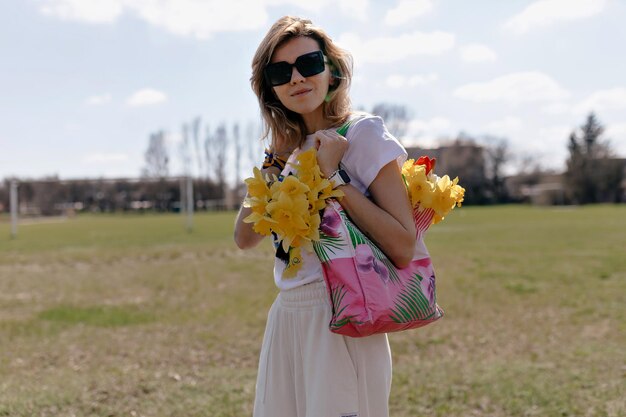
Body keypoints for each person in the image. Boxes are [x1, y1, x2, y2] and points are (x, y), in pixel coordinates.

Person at [234, 15, 416, 417]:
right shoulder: (284, 152)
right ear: (270, 88)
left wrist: (334, 176)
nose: (297, 78)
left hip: (344, 315)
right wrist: (274, 160)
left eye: (309, 64)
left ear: (331, 71)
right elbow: (245, 238)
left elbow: (405, 245)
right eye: (281, 72)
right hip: (287, 317)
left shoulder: (363, 133)